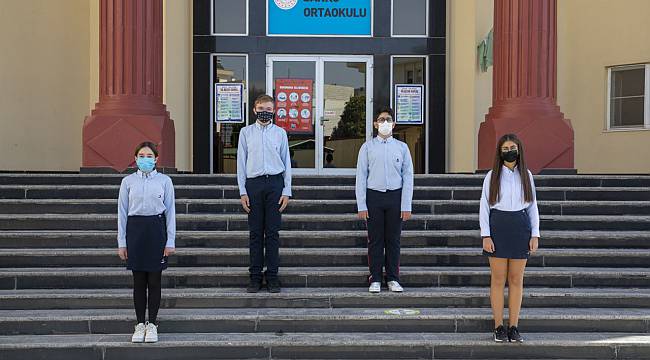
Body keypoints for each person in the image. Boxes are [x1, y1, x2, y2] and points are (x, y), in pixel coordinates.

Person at [480, 133, 540, 343]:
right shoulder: (492, 176)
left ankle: (513, 326)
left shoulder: (527, 175)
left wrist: (535, 234)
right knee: (497, 279)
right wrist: (485, 235)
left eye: (512, 147)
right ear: (499, 152)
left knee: (516, 279)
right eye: (504, 149)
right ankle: (498, 326)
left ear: (519, 150)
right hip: (498, 227)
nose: (509, 152)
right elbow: (484, 207)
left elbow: (532, 206)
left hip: (520, 227)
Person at [117, 141, 176, 343]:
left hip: (156, 230)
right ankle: (140, 323)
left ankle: (153, 324)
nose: (145, 159)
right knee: (139, 281)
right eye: (141, 156)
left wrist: (170, 240)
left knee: (155, 280)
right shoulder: (127, 182)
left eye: (149, 156)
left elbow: (170, 212)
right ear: (135, 159)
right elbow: (122, 214)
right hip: (135, 231)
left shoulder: (165, 181)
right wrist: (121, 242)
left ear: (156, 159)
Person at [237, 94, 292, 293]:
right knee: (255, 234)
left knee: (272, 233)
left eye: (268, 108)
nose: (265, 112)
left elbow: (286, 163)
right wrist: (243, 191)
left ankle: (273, 277)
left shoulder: (280, 133)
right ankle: (254, 277)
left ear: (274, 110)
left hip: (275, 184)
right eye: (261, 108)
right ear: (254, 110)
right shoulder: (245, 133)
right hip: (254, 184)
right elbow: (241, 164)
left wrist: (286, 190)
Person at [355, 106, 414, 293]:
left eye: (388, 119)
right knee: (375, 240)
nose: (385, 123)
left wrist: (406, 205)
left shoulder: (402, 148)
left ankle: (393, 278)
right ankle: (375, 278)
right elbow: (361, 177)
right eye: (381, 120)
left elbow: (408, 177)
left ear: (394, 124)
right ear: (375, 124)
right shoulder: (367, 147)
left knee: (393, 240)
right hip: (374, 197)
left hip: (395, 197)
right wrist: (361, 205)